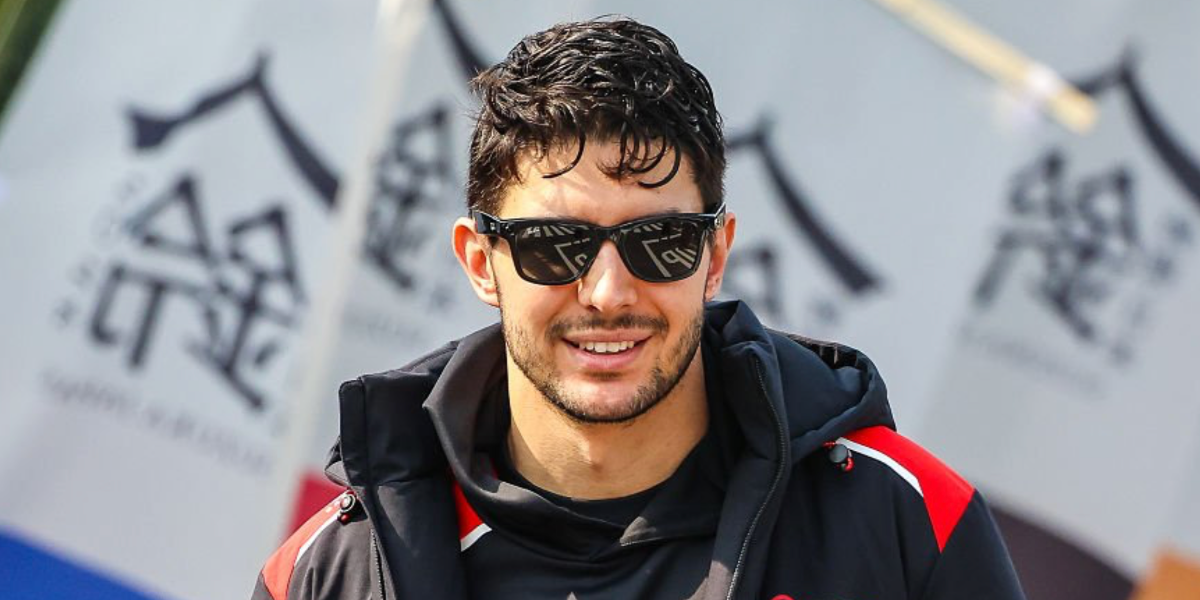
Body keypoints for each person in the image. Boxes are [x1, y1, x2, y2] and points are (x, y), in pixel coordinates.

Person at [251, 17, 1026, 600]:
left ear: (715, 256)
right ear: (481, 262)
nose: (609, 293)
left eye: (659, 242)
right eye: (556, 245)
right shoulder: (328, 573)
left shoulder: (904, 520)